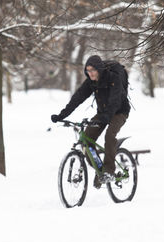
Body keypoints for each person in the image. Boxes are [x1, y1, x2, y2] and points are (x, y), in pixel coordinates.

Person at [51, 55, 130, 189]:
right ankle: (100, 170)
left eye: (93, 70)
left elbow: (115, 101)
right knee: (86, 139)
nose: (90, 73)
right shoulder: (90, 82)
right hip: (102, 113)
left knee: (109, 135)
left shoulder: (113, 79)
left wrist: (107, 116)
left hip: (119, 112)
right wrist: (61, 115)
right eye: (87, 70)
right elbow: (77, 99)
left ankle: (109, 171)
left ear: (99, 69)